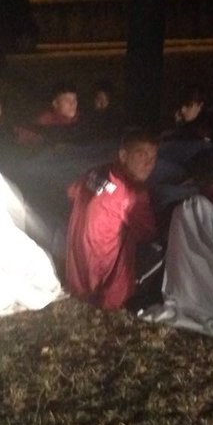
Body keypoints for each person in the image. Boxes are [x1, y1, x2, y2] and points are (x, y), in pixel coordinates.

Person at [64, 128, 161, 310]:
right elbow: (148, 233)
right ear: (123, 155)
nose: (149, 163)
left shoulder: (96, 171)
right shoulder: (133, 192)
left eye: (153, 157)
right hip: (104, 291)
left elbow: (71, 192)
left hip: (75, 277)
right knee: (159, 249)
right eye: (141, 155)